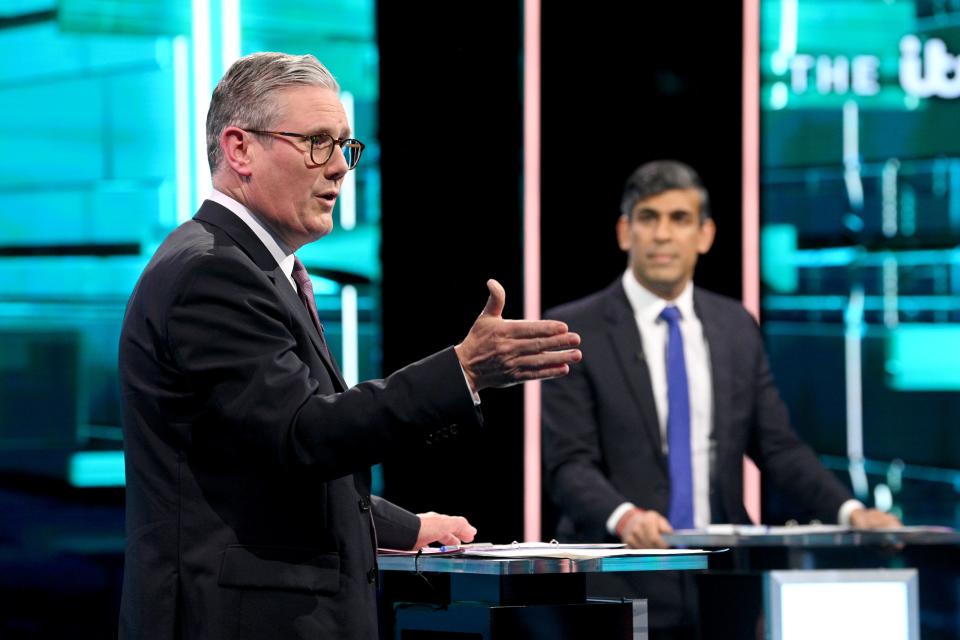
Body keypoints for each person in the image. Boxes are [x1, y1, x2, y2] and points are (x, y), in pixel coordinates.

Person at [118, 52, 581, 640]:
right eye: (317, 142)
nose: (339, 167)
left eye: (344, 145)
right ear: (239, 149)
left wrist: (400, 526)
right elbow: (303, 437)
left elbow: (256, 462)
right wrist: (462, 370)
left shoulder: (250, 267)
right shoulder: (212, 273)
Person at [541, 160, 899, 638]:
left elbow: (777, 448)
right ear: (625, 232)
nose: (663, 235)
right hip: (618, 578)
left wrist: (851, 513)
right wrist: (625, 517)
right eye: (649, 218)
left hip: (724, 583)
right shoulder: (573, 330)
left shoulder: (735, 325)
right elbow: (568, 464)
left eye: (679, 219)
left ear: (705, 235)